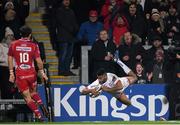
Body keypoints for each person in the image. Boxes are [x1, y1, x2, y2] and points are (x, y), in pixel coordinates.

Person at [8, 26, 49, 121]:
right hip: (31, 73)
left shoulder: (14, 44)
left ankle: (39, 116)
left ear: (20, 34)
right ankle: (41, 104)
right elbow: (39, 61)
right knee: (33, 92)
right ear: (30, 34)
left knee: (27, 98)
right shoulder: (34, 45)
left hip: (20, 75)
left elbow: (10, 58)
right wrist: (42, 73)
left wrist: (11, 73)